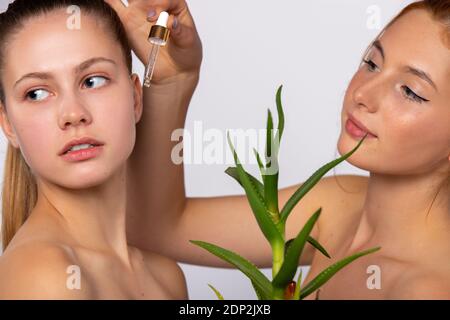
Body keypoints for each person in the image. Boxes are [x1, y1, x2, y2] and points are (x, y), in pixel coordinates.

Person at [122, 0, 450, 299]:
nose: (364, 93)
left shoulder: (427, 289)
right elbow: (154, 228)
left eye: (410, 91)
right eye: (372, 63)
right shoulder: (337, 203)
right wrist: (173, 81)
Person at [0, 0, 202, 299]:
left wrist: (173, 79)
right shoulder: (44, 275)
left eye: (92, 81)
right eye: (37, 93)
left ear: (135, 97)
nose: (73, 113)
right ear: (8, 125)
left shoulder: (165, 277)